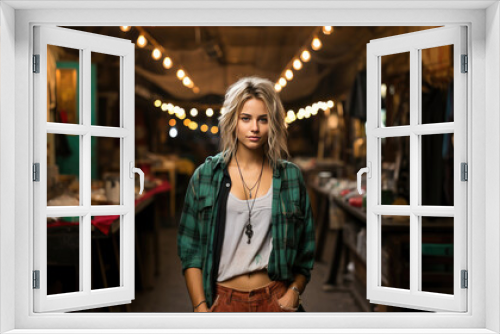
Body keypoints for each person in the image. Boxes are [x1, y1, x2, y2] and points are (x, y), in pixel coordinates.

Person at [177, 76, 315, 312]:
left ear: (273, 123)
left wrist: (294, 291)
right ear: (233, 121)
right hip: (222, 300)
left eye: (263, 119)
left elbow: (306, 250)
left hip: (276, 299)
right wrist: (200, 306)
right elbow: (190, 250)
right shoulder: (206, 176)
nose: (254, 128)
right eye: (246, 118)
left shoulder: (290, 177)